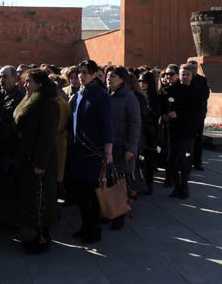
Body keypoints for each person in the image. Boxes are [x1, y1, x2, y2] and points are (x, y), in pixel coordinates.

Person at [66, 60, 114, 244]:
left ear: (94, 74)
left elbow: (107, 125)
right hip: (78, 151)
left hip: (94, 153)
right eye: (79, 72)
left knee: (92, 194)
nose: (81, 75)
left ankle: (94, 229)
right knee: (80, 193)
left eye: (85, 72)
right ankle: (85, 225)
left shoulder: (101, 95)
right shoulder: (79, 94)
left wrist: (108, 151)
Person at [13, 69, 59, 253]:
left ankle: (43, 239)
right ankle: (35, 235)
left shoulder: (47, 103)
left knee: (42, 200)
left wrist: (40, 163)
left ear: (40, 83)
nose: (25, 85)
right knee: (32, 199)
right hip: (28, 158)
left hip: (40, 161)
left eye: (29, 81)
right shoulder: (31, 99)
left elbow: (46, 136)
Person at [0, 65, 25, 228]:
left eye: (5, 77)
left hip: (10, 152)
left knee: (10, 189)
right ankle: (2, 218)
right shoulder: (0, 95)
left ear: (15, 79)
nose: (1, 80)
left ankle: (13, 221)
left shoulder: (20, 97)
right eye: (0, 77)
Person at [105, 66, 141, 230]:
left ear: (122, 79)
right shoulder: (106, 96)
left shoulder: (129, 97)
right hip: (107, 146)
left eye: (113, 76)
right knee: (109, 180)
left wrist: (131, 148)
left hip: (122, 146)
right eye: (108, 76)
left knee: (120, 181)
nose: (109, 79)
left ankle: (119, 216)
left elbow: (135, 124)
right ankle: (110, 211)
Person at [159, 64, 197, 199]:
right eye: (166, 74)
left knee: (181, 158)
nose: (168, 76)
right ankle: (177, 185)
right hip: (172, 129)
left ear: (177, 76)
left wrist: (178, 113)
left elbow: (192, 110)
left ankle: (184, 187)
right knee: (171, 159)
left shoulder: (186, 90)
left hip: (185, 129)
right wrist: (164, 115)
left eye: (171, 74)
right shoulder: (165, 90)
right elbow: (162, 107)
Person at [138, 71, 161, 194]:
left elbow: (156, 114)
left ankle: (149, 183)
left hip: (150, 130)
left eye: (144, 81)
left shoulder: (155, 97)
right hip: (139, 129)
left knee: (149, 158)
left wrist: (147, 110)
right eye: (140, 81)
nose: (141, 84)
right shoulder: (137, 95)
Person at [187, 60, 210, 171]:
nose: (194, 70)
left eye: (196, 68)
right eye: (192, 68)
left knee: (198, 139)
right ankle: (187, 161)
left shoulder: (202, 80)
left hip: (198, 114)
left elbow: (205, 95)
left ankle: (197, 162)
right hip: (187, 114)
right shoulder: (185, 79)